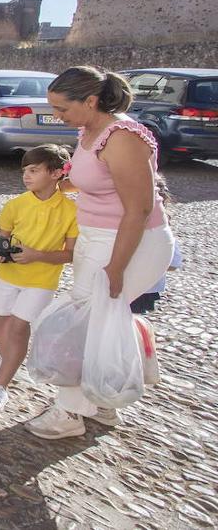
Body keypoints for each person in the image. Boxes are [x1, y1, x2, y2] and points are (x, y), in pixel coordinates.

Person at [25, 67, 174, 440]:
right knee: (98, 317)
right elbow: (92, 179)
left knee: (84, 322)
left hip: (127, 242)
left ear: (90, 101)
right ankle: (102, 397)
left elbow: (138, 208)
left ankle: (69, 413)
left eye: (62, 108)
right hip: (97, 237)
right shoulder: (89, 129)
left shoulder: (123, 138)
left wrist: (117, 267)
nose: (57, 116)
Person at [0, 145, 77, 415]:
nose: (27, 176)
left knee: (19, 328)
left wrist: (39, 255)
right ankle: (9, 359)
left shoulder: (71, 210)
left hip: (41, 281)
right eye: (25, 171)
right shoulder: (15, 205)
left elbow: (70, 254)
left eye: (34, 170)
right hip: (8, 275)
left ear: (56, 173)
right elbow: (3, 241)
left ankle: (0, 387)